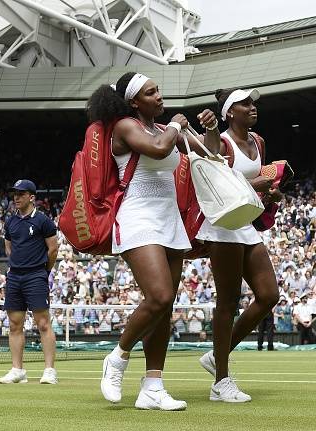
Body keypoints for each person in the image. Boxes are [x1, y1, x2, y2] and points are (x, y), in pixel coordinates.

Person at [90, 72, 219, 410]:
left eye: (158, 89)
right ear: (135, 102)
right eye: (151, 92)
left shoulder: (165, 130)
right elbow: (161, 151)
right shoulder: (125, 126)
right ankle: (117, 357)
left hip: (169, 220)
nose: (159, 96)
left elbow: (210, 157)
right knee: (159, 295)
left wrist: (210, 129)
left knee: (165, 308)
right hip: (137, 217)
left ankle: (153, 387)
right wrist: (177, 125)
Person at [197, 88, 280, 403]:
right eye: (244, 103)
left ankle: (217, 354)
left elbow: (254, 187)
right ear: (230, 112)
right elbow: (213, 180)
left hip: (246, 224)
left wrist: (269, 194)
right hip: (222, 226)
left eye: (252, 103)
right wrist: (253, 184)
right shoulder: (220, 141)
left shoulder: (258, 141)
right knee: (227, 302)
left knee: (269, 295)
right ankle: (221, 382)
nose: (251, 107)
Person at [0, 179, 59, 385]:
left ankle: (50, 371)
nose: (16, 197)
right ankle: (18, 370)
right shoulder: (10, 222)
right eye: (15, 194)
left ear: (31, 197)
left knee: (43, 323)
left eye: (21, 194)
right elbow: (9, 248)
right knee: (15, 324)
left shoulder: (43, 221)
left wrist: (44, 271)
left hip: (36, 276)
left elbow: (53, 249)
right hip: (15, 277)